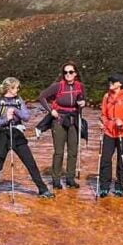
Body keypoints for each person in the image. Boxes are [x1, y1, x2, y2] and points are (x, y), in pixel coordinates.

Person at [0, 77, 55, 201]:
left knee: (30, 162)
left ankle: (43, 189)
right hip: (2, 135)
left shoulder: (19, 100)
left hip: (17, 134)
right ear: (9, 88)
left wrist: (16, 111)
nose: (18, 89)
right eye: (16, 87)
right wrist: (5, 119)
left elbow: (27, 117)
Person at [39, 62, 86, 190]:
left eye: (71, 72)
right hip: (59, 120)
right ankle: (56, 180)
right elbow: (42, 96)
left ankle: (70, 179)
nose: (68, 75)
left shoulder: (80, 86)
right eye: (65, 72)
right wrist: (51, 111)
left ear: (75, 73)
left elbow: (83, 100)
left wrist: (82, 103)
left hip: (74, 120)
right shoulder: (57, 86)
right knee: (59, 152)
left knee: (73, 151)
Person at [99, 74, 123, 198]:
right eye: (110, 80)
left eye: (113, 81)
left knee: (122, 160)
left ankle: (120, 187)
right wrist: (103, 123)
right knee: (105, 159)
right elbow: (103, 114)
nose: (110, 82)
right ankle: (104, 187)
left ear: (120, 83)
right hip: (109, 132)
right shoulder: (106, 96)